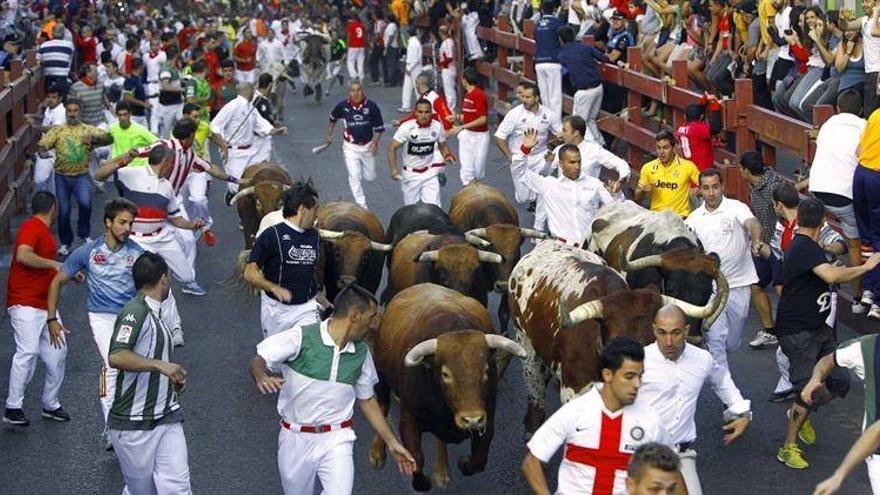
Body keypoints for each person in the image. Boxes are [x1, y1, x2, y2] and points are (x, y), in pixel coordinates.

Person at [249, 284, 416, 494]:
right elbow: (259, 358)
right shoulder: (301, 337)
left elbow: (367, 400)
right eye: (372, 317)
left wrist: (392, 443)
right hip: (295, 438)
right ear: (354, 315)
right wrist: (261, 376)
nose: (374, 324)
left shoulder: (362, 353)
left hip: (337, 437)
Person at [46, 198, 183, 450]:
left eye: (130, 223)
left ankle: (141, 415)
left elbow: (162, 281)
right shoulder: (88, 252)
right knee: (113, 364)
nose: (127, 228)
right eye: (122, 222)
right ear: (107, 222)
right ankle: (112, 428)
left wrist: (170, 323)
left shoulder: (138, 253)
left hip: (133, 315)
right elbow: (56, 282)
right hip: (102, 317)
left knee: (138, 365)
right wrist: (52, 318)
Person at [774, 199, 880, 469]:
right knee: (804, 391)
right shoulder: (802, 248)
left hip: (818, 328)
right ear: (822, 222)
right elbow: (832, 276)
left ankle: (802, 414)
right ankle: (788, 446)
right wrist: (866, 268)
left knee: (839, 382)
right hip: (798, 332)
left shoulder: (809, 246)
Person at [521, 337, 670, 495]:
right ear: (607, 375)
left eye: (640, 376)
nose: (637, 384)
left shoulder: (650, 420)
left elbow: (671, 470)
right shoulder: (575, 411)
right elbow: (531, 462)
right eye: (629, 377)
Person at [636, 305, 752, 495]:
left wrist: (740, 411)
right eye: (661, 333)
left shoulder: (702, 359)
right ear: (653, 330)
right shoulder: (639, 361)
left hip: (681, 456)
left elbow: (721, 380)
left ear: (687, 331)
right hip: (642, 454)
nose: (668, 341)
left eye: (676, 333)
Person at [107, 252, 192, 494]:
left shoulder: (156, 312)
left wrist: (169, 382)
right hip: (133, 424)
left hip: (166, 416)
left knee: (178, 488)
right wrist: (161, 366)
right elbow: (116, 355)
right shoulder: (135, 311)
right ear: (164, 279)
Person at [94, 145, 207, 296]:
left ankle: (188, 283)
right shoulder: (130, 174)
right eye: (172, 163)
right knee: (132, 279)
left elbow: (175, 219)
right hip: (135, 240)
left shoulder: (167, 187)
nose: (173, 167)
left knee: (187, 275)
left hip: (162, 237)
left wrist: (192, 225)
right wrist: (121, 162)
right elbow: (98, 176)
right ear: (166, 162)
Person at [685, 168, 763, 372]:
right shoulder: (692, 220)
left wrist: (755, 239)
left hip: (739, 285)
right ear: (699, 190)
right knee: (717, 342)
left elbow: (752, 223)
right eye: (706, 188)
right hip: (711, 289)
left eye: (715, 187)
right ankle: (729, 394)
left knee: (732, 344)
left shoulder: (737, 207)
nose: (711, 193)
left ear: (722, 187)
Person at [3, 192, 68, 426]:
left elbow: (40, 266)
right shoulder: (32, 227)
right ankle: (13, 406)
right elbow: (23, 256)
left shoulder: (41, 232)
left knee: (57, 353)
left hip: (45, 305)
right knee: (27, 352)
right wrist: (54, 263)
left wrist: (64, 272)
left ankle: (50, 403)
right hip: (26, 303)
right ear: (53, 208)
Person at [244, 181, 328, 337]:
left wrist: (319, 296)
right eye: (315, 209)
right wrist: (273, 287)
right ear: (302, 209)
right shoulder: (271, 235)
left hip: (307, 309)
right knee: (277, 360)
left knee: (309, 352)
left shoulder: (315, 236)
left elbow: (309, 270)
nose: (318, 214)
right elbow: (250, 273)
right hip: (277, 310)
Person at [808, 90, 866, 314]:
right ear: (860, 110)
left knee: (817, 236)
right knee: (855, 243)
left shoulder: (829, 124)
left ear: (838, 109)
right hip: (844, 194)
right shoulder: (864, 126)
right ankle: (859, 298)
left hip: (818, 189)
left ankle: (821, 279)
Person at [36, 98, 113, 255]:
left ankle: (84, 234)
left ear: (80, 112)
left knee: (85, 204)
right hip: (62, 176)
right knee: (63, 211)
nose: (72, 114)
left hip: (81, 176)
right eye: (69, 111)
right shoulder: (58, 130)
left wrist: (95, 139)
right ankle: (65, 243)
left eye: (75, 110)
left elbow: (109, 138)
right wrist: (43, 151)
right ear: (66, 112)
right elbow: (43, 144)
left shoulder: (87, 130)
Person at [516, 128, 617, 246]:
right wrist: (525, 149)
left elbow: (616, 208)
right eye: (572, 162)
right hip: (559, 250)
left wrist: (616, 194)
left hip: (589, 249)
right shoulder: (549, 185)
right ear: (561, 164)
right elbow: (520, 172)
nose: (577, 166)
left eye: (579, 161)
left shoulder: (595, 184)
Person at [494, 81, 562, 229]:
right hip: (520, 159)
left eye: (528, 97)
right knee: (523, 197)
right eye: (523, 96)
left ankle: (540, 226)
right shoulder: (514, 114)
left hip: (541, 157)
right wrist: (510, 157)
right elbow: (499, 137)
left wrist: (565, 137)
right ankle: (534, 200)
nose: (524, 100)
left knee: (545, 190)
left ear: (537, 98)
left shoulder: (549, 115)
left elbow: (561, 134)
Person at [738, 151, 784, 350]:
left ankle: (798, 328)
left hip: (779, 247)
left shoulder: (773, 188)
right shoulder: (755, 185)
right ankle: (769, 330)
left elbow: (786, 214)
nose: (739, 171)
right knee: (756, 284)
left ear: (747, 170)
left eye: (740, 168)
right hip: (763, 245)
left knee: (784, 290)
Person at [210, 83, 288, 199]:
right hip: (235, 154)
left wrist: (275, 131)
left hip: (252, 151)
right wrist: (222, 144)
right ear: (249, 91)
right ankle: (231, 192)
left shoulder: (251, 107)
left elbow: (260, 124)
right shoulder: (232, 106)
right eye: (253, 90)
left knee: (259, 179)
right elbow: (214, 125)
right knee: (238, 188)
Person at [323, 80, 385, 209]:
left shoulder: (372, 106)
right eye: (353, 90)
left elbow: (379, 129)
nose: (356, 93)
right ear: (348, 92)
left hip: (367, 146)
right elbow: (332, 118)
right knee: (354, 176)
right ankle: (362, 205)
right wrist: (329, 135)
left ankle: (362, 169)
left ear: (363, 91)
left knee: (370, 177)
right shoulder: (342, 106)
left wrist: (375, 143)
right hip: (350, 147)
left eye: (358, 90)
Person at [387, 99, 455, 206]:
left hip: (430, 173)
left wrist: (448, 155)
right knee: (411, 212)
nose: (424, 115)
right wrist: (394, 170)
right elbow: (392, 148)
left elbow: (442, 144)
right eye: (420, 112)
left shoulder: (437, 126)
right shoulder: (406, 127)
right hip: (410, 175)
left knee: (435, 209)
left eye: (427, 112)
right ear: (415, 113)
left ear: (431, 113)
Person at [556, 25, 607, 144]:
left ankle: (591, 149)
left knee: (578, 124)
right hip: (598, 87)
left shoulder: (562, 56)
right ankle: (600, 144)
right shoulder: (586, 47)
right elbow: (604, 58)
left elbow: (564, 72)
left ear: (560, 39)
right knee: (591, 120)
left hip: (584, 92)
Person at [635, 130, 700, 218]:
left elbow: (704, 185)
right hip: (656, 218)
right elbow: (637, 197)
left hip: (680, 218)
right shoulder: (648, 168)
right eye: (659, 148)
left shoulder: (688, 166)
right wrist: (642, 191)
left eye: (665, 148)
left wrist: (698, 190)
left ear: (673, 148)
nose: (661, 152)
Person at [854, 106, 880, 320]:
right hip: (877, 178)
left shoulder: (876, 114)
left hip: (861, 174)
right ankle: (878, 300)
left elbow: (858, 150)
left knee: (868, 238)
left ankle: (868, 290)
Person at [549, 115, 630, 184]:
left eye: (564, 131)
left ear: (576, 133)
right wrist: (547, 162)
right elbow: (545, 172)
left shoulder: (594, 150)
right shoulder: (559, 149)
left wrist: (621, 180)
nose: (561, 134)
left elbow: (620, 164)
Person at [448, 67, 490, 185]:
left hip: (480, 136)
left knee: (478, 170)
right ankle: (467, 191)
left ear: (464, 79)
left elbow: (483, 119)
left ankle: (474, 190)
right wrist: (456, 117)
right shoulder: (468, 95)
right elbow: (469, 116)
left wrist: (462, 127)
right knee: (467, 170)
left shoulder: (478, 95)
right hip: (467, 135)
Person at [27, 85, 67, 192]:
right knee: (50, 185)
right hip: (49, 150)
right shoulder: (51, 108)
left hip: (53, 152)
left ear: (60, 99)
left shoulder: (61, 112)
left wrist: (35, 126)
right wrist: (33, 116)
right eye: (49, 97)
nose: (50, 100)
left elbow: (54, 129)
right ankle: (50, 205)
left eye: (54, 97)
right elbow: (46, 119)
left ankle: (43, 204)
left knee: (40, 181)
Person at [534, 0, 563, 120]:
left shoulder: (537, 24)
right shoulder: (557, 23)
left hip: (539, 62)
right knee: (555, 95)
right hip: (553, 61)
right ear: (554, 9)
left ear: (541, 10)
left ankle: (546, 121)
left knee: (544, 95)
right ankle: (555, 125)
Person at [107, 101, 158, 170]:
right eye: (120, 115)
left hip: (137, 169)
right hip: (119, 168)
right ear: (116, 115)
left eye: (125, 114)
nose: (123, 118)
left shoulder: (140, 130)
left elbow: (158, 143)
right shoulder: (112, 129)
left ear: (130, 114)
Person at [675, 102, 722, 172]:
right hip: (701, 171)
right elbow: (715, 129)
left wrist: (704, 100)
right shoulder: (696, 128)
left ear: (685, 116)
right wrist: (715, 107)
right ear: (701, 117)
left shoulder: (681, 128)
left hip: (688, 170)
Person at [252, 73, 282, 163]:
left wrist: (273, 122)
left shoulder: (258, 98)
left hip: (258, 137)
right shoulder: (259, 101)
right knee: (263, 163)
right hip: (260, 138)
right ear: (270, 85)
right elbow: (259, 119)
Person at [37, 24, 75, 97]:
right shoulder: (69, 45)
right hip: (62, 77)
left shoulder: (44, 45)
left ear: (52, 34)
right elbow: (70, 60)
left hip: (48, 78)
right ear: (63, 34)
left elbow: (38, 60)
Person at [399, 25, 422, 113]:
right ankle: (406, 105)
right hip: (414, 67)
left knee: (416, 88)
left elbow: (414, 58)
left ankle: (418, 104)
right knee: (408, 86)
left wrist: (409, 67)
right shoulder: (415, 42)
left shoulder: (413, 43)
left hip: (413, 68)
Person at [123, 58, 151, 128]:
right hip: (133, 116)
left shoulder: (138, 79)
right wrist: (143, 104)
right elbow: (127, 98)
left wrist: (151, 96)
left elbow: (137, 95)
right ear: (140, 67)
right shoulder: (130, 81)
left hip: (141, 114)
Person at [438, 25, 457, 111]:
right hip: (450, 68)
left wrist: (440, 64)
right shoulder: (450, 41)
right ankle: (451, 108)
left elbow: (449, 57)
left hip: (448, 69)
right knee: (450, 90)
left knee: (449, 91)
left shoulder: (447, 42)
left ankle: (451, 109)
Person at [346, 13, 366, 82]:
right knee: (360, 62)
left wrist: (347, 45)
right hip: (361, 45)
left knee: (350, 61)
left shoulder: (351, 26)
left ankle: (354, 75)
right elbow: (364, 36)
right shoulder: (361, 26)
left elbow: (349, 36)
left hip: (353, 46)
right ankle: (361, 76)